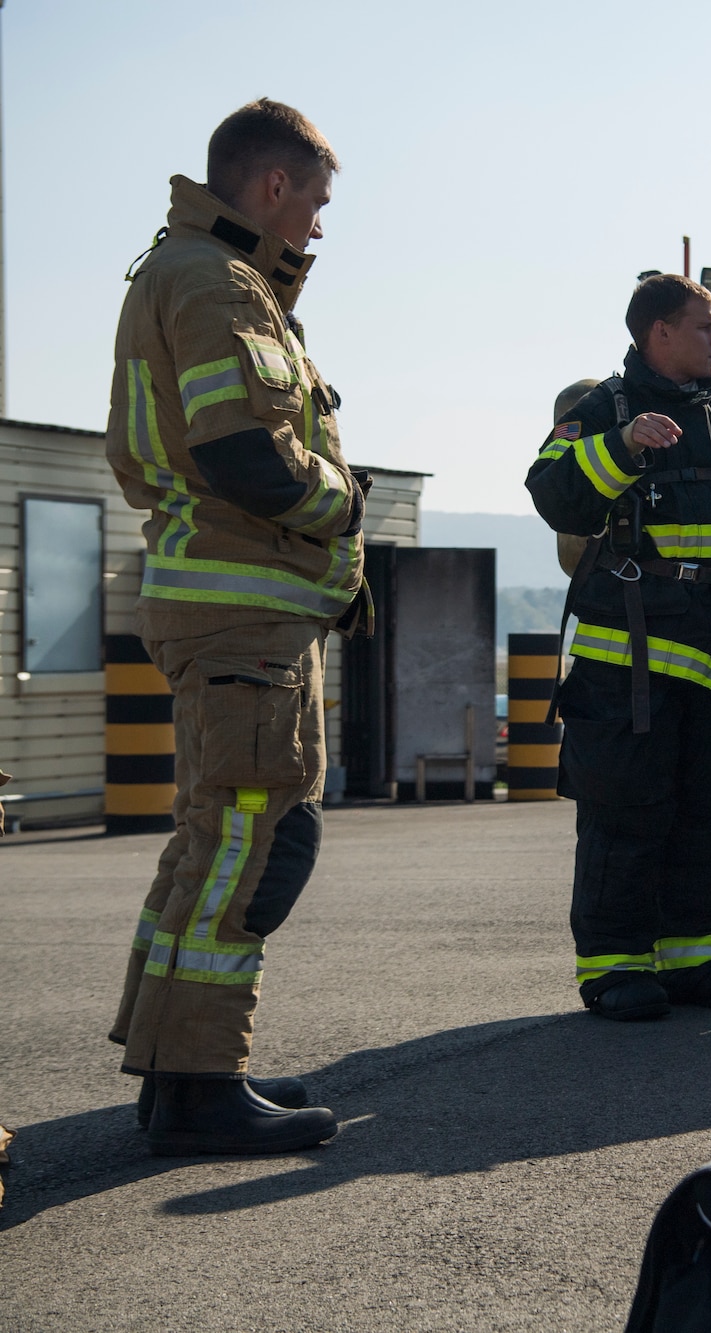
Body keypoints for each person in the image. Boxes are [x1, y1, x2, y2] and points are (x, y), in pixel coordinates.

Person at [105, 100, 359, 1154]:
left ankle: (177, 1072)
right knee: (255, 844)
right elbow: (242, 454)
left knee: (215, 841)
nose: (316, 224)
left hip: (236, 609)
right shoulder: (213, 284)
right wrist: (344, 503)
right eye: (313, 201)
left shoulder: (197, 273)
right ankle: (204, 1082)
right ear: (270, 187)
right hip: (238, 611)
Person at [526, 273, 711, 1021]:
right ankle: (615, 968)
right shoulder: (604, 410)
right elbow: (551, 492)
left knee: (707, 813)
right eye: (705, 324)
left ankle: (698, 959)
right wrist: (620, 447)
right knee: (625, 812)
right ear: (660, 334)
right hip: (628, 666)